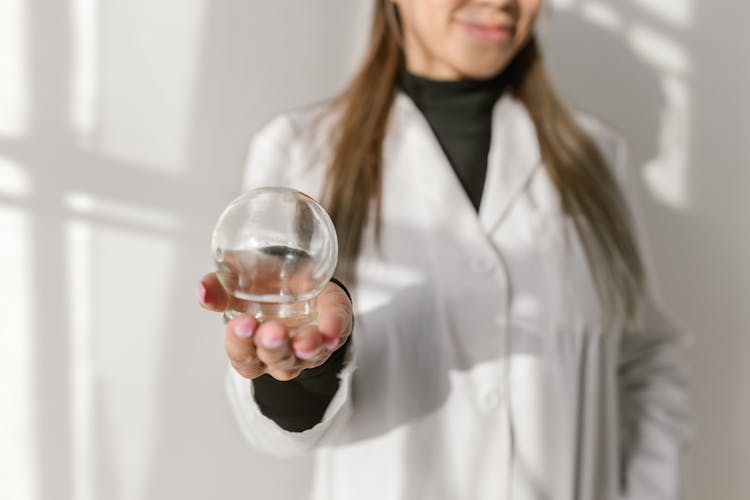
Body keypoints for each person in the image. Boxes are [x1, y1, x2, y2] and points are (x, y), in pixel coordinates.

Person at [197, 1, 692, 499]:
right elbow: (283, 431)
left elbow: (645, 358)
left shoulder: (597, 157)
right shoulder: (300, 152)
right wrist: (307, 366)